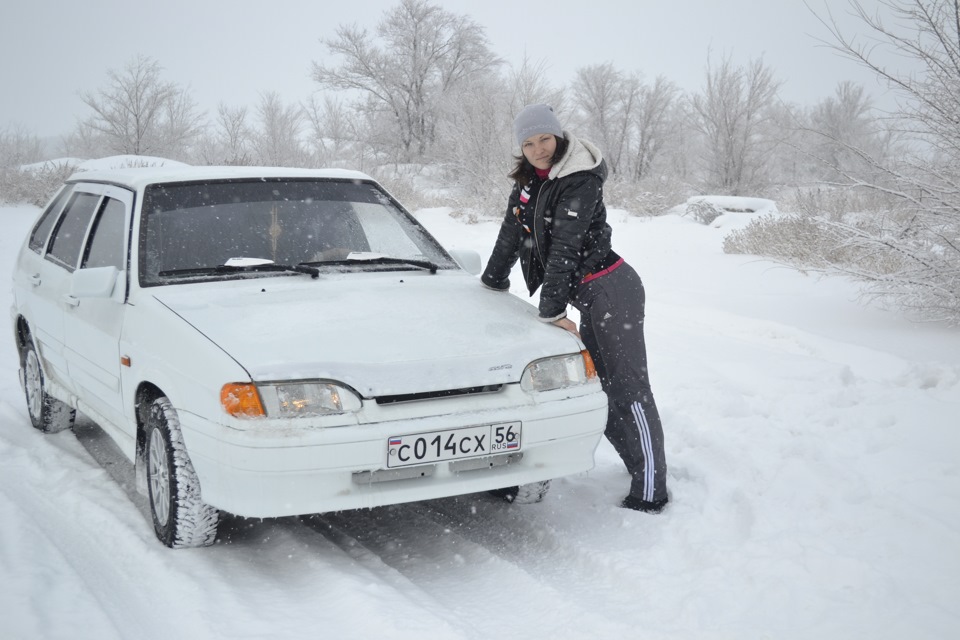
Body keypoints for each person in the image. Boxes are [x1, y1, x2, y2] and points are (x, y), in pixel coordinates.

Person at [481, 104, 668, 513]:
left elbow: (566, 247)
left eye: (544, 139)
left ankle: (651, 488)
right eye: (528, 143)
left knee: (628, 388)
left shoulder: (579, 179)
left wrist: (550, 311)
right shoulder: (531, 182)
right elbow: (512, 233)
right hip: (586, 294)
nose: (538, 149)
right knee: (600, 388)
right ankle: (638, 466)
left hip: (611, 290)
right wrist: (491, 283)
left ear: (558, 136)